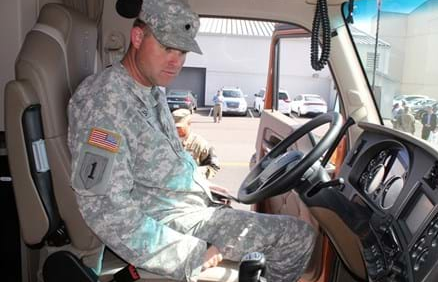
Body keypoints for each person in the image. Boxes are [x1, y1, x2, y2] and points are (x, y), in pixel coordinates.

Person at [67, 1, 316, 282]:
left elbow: (158, 160)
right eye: (166, 47)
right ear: (137, 37)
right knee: (297, 236)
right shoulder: (104, 102)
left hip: (184, 205)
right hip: (167, 224)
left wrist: (199, 184)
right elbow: (106, 210)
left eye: (182, 50)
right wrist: (190, 254)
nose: (176, 61)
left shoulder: (150, 87)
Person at [172, 109, 220, 179]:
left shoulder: (200, 143)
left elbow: (214, 167)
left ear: (189, 123)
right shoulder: (166, 141)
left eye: (179, 127)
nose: (175, 129)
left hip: (191, 186)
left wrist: (195, 172)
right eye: (173, 127)